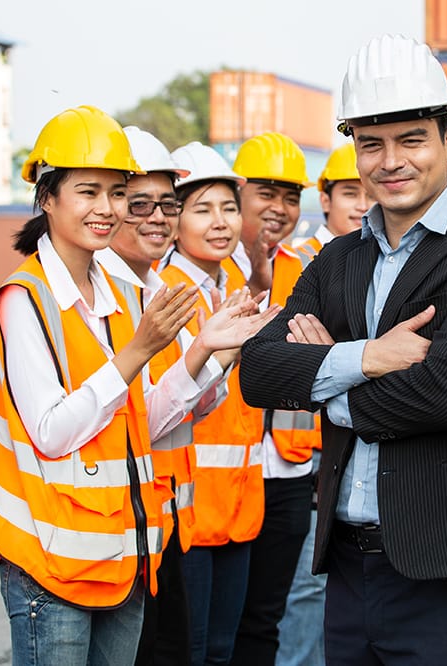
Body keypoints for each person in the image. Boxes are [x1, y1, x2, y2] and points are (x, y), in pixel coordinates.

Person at [240, 34, 447, 664]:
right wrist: (367, 358)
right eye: (371, 144)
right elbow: (260, 372)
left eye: (411, 140)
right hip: (349, 568)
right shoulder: (338, 258)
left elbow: (444, 396)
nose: (389, 161)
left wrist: (324, 383)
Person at [0, 105, 209, 665]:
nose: (106, 209)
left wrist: (207, 352)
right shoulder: (24, 297)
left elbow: (138, 421)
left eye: (115, 192)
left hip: (120, 551)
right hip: (49, 561)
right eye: (87, 191)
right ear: (47, 198)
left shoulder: (120, 295)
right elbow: (53, 432)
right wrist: (138, 350)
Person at [96, 126, 275, 666]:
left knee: (209, 648)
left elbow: (195, 405)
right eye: (201, 208)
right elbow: (141, 418)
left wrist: (215, 357)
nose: (157, 217)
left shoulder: (172, 289)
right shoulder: (152, 294)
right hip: (145, 517)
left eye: (167, 205)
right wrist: (206, 354)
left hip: (199, 506)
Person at [146, 141, 277, 666]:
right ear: (174, 220)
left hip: (238, 503)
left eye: (228, 207)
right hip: (190, 514)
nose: (220, 222)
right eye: (202, 209)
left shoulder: (228, 290)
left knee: (221, 649)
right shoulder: (169, 293)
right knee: (191, 652)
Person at [277, 141, 374, 666]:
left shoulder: (380, 262)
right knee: (307, 588)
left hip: (349, 443)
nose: (361, 204)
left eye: (366, 193)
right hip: (302, 453)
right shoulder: (299, 265)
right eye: (349, 193)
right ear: (325, 199)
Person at [229, 133, 322, 666]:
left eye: (290, 197)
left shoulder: (303, 271)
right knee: (215, 623)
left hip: (286, 473)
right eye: (266, 193)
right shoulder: (202, 268)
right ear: (238, 192)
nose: (280, 209)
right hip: (221, 475)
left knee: (267, 617)